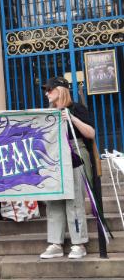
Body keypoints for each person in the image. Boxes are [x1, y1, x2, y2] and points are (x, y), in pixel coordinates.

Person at [40, 77, 95, 259]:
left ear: (60, 90)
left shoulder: (76, 108)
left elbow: (91, 133)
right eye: (46, 90)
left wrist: (71, 118)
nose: (46, 93)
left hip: (75, 152)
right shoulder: (46, 113)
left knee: (74, 200)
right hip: (54, 156)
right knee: (53, 200)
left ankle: (78, 244)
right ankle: (55, 243)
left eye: (49, 89)